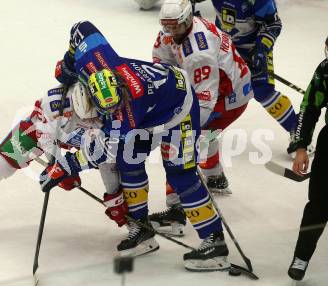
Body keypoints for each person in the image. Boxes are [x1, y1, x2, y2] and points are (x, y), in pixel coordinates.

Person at [41, 20, 231, 271]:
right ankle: (142, 230)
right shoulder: (94, 61)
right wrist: (68, 61)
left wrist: (66, 165)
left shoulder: (125, 114)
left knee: (180, 172)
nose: (102, 117)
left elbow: (102, 151)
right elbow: (81, 28)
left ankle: (215, 242)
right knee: (128, 161)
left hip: (180, 109)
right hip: (155, 103)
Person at [0, 82, 123, 229]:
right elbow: (46, 139)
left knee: (112, 162)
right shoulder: (56, 100)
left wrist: (114, 196)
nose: (95, 118)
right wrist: (58, 167)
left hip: (86, 139)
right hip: (42, 132)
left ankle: (133, 222)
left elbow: (107, 154)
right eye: (89, 115)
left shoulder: (111, 105)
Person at [148, 0, 254, 236]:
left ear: (187, 20)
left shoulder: (198, 53)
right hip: (227, 85)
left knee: (181, 146)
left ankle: (176, 212)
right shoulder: (172, 30)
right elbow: (161, 63)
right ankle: (215, 177)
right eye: (168, 26)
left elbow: (204, 104)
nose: (171, 31)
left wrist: (182, 130)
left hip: (230, 98)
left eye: (176, 26)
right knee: (205, 134)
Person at [193, 0, 299, 154]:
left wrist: (261, 49)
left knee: (263, 91)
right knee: (214, 90)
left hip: (253, 49)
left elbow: (273, 24)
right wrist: (191, 16)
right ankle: (205, 135)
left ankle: (298, 132)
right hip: (222, 46)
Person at [288, 37, 328, 281]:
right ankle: (301, 257)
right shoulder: (325, 70)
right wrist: (301, 146)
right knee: (319, 204)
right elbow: (309, 108)